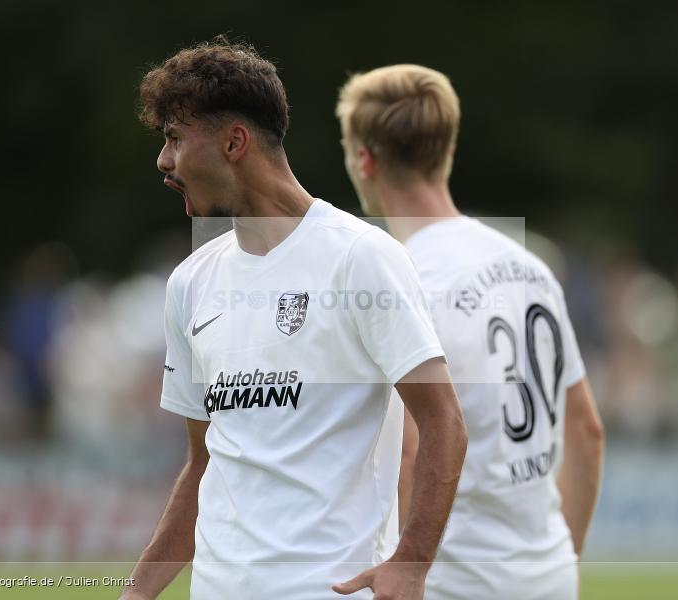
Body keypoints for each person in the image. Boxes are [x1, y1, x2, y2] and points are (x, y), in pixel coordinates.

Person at [119, 40, 467, 600]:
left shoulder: (360, 258)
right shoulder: (190, 284)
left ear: (235, 142)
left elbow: (444, 421)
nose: (164, 161)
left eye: (175, 138)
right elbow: (204, 462)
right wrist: (137, 593)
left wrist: (412, 561)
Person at [337, 65, 604, 599]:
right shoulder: (532, 266)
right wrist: (560, 560)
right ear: (446, 150)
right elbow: (586, 430)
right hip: (549, 577)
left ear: (364, 159)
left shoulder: (400, 280)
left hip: (454, 584)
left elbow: (410, 454)